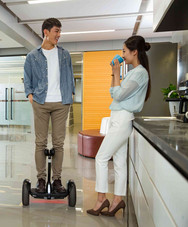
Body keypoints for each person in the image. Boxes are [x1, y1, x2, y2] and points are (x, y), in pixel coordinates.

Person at [87, 35, 151, 216]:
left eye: (124, 51)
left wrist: (116, 73)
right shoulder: (133, 72)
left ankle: (101, 199)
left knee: (101, 158)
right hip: (118, 117)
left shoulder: (139, 73)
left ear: (134, 52)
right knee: (119, 162)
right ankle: (117, 200)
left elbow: (118, 95)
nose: (122, 54)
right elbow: (114, 92)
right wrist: (114, 74)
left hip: (122, 118)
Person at [24, 18, 75, 193]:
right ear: (46, 32)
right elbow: (27, 78)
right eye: (56, 31)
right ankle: (40, 179)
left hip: (61, 103)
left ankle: (57, 180)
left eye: (60, 31)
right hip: (41, 101)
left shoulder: (64, 54)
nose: (59, 35)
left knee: (59, 143)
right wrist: (30, 95)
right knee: (40, 142)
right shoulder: (32, 56)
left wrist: (71, 93)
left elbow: (70, 75)